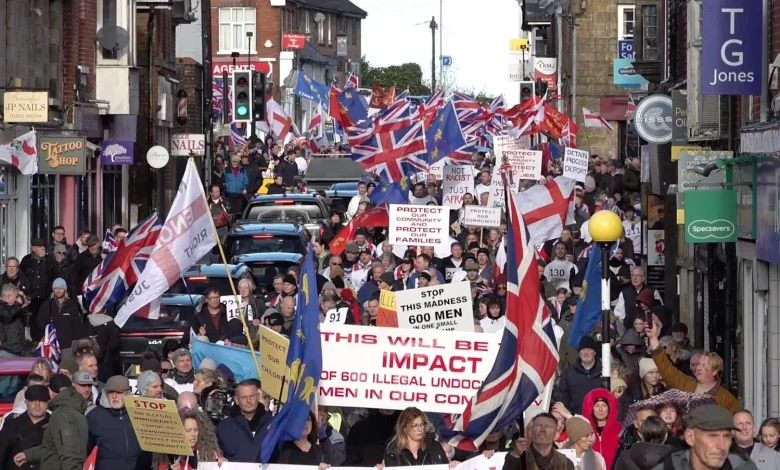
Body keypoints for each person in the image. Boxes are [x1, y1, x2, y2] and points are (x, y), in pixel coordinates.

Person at [647, 316, 740, 413]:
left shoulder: (726, 399)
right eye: (698, 364)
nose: (699, 368)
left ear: (715, 371)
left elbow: (739, 421)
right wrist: (653, 337)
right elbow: (665, 367)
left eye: (704, 365)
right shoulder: (687, 384)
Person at [14, 375, 89, 470]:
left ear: (50, 390)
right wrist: (29, 455)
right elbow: (53, 448)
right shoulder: (74, 409)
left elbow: (70, 455)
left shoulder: (62, 415)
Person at [652, 404, 758, 470]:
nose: (721, 446)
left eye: (726, 436)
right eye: (712, 436)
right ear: (690, 437)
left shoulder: (742, 466)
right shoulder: (669, 467)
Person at [86, 375, 143, 470]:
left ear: (128, 393)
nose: (114, 396)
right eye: (111, 392)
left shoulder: (138, 414)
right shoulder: (94, 417)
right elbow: (84, 451)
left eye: (118, 392)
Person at [217, 380, 273, 462]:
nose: (249, 401)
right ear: (236, 400)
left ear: (257, 396)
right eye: (244, 397)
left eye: (252, 396)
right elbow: (215, 454)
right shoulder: (224, 427)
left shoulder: (273, 424)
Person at [152, 409, 225, 469]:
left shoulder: (209, 453)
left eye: (195, 430)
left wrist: (224, 465)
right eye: (188, 431)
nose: (193, 434)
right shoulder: (168, 456)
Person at [0, 385, 51, 470]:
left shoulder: (56, 425)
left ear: (48, 403)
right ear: (26, 403)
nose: (37, 404)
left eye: (42, 400)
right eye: (33, 400)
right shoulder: (11, 425)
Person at [383, 407, 453, 467]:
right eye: (415, 426)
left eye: (422, 424)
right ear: (404, 428)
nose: (420, 429)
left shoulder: (435, 446)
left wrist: (454, 466)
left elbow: (445, 467)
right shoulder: (392, 451)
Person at [502, 413, 575, 470]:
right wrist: (516, 455)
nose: (542, 430)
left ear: (556, 434)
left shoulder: (565, 463)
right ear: (532, 431)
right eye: (538, 425)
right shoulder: (517, 459)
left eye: (548, 426)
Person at [554, 336, 603, 415]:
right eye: (583, 350)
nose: (586, 353)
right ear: (579, 352)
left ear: (595, 352)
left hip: (599, 420)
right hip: (575, 420)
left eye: (589, 349)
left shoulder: (604, 372)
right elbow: (562, 398)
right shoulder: (569, 372)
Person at [37, 278, 82, 359]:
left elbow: (77, 326)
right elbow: (40, 322)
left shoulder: (72, 305)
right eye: (56, 288)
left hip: (67, 347)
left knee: (67, 369)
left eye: (61, 288)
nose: (58, 291)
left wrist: (76, 345)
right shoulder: (46, 305)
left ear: (65, 289)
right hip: (51, 345)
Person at [613, 267, 663, 333]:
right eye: (633, 275)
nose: (635, 278)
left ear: (643, 278)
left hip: (648, 331)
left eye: (638, 275)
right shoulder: (624, 293)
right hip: (629, 332)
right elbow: (619, 316)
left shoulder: (653, 291)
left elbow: (660, 312)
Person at [582, 388, 622, 468]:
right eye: (597, 406)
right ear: (591, 408)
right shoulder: (585, 430)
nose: (600, 409)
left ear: (609, 408)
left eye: (604, 405)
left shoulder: (619, 429)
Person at [0, 283, 27, 356]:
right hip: (5, 350)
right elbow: (7, 317)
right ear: (9, 296)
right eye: (16, 296)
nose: (17, 299)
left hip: (17, 350)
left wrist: (23, 306)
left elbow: (25, 322)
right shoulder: (2, 306)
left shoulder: (14, 308)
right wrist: (18, 304)